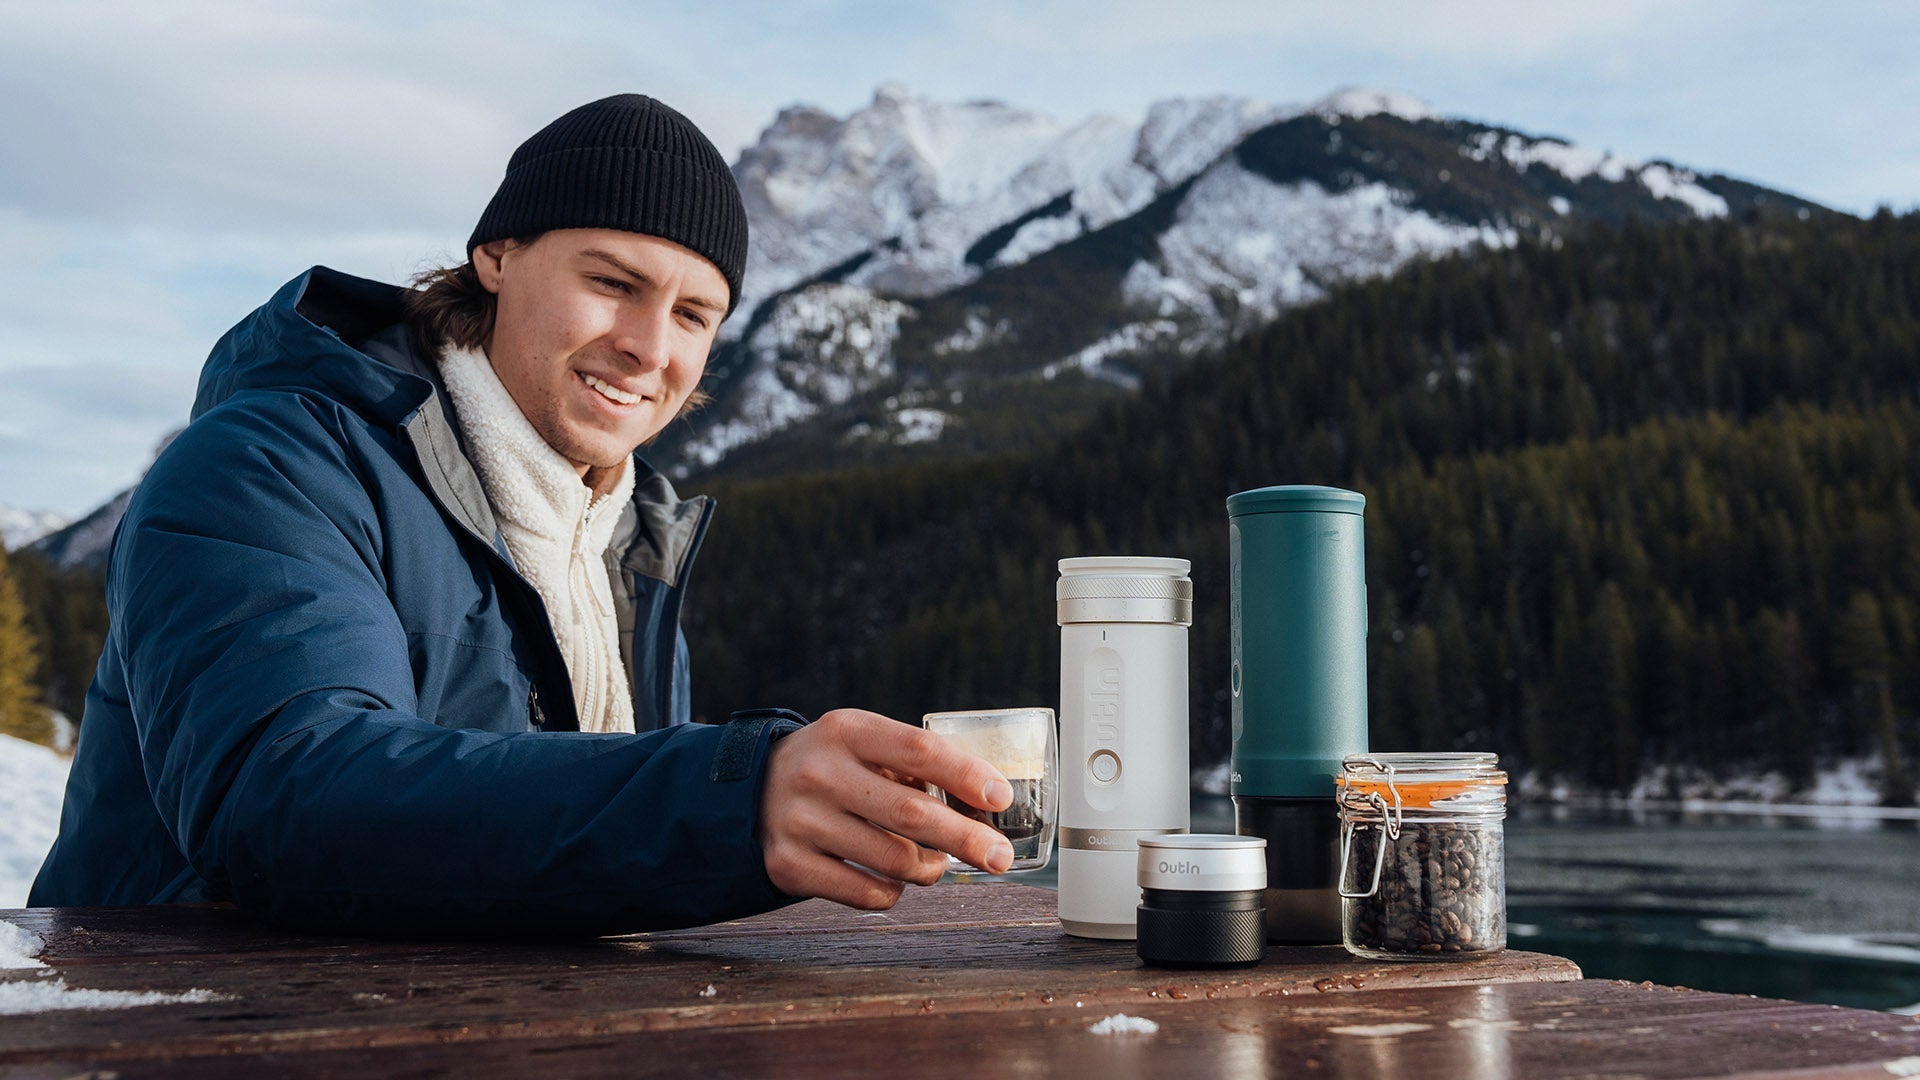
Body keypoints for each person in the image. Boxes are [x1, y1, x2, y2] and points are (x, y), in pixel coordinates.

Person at [30, 94, 1015, 935]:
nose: (646, 346)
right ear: (497, 257)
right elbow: (288, 794)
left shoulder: (624, 542)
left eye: (691, 315)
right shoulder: (268, 466)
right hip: (185, 1038)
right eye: (611, 283)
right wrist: (731, 800)